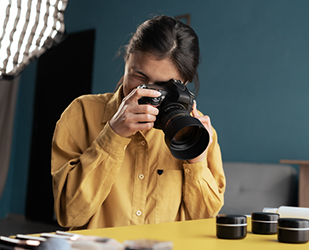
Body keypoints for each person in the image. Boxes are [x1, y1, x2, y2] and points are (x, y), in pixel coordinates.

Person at [51, 15, 225, 229]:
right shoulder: (81, 114)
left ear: (184, 84)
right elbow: (69, 215)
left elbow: (205, 224)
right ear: (127, 60)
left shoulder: (197, 134)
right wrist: (112, 136)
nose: (145, 91)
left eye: (164, 84)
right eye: (138, 75)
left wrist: (196, 162)